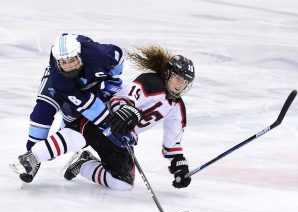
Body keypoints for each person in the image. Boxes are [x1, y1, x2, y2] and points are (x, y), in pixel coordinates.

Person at [12, 45, 195, 190]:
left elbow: (173, 142)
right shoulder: (151, 82)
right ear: (168, 74)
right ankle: (33, 156)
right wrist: (125, 110)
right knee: (79, 137)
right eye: (178, 78)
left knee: (123, 183)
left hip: (119, 138)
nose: (180, 85)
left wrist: (179, 165)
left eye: (185, 81)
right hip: (102, 118)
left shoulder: (177, 108)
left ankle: (84, 164)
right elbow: (124, 96)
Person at [24, 33, 126, 178]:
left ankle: (49, 152)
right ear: (57, 62)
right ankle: (32, 157)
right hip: (64, 85)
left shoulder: (99, 55)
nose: (69, 66)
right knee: (41, 113)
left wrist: (113, 79)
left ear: (79, 55)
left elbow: (118, 56)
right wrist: (109, 123)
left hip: (88, 84)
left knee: (78, 128)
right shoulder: (59, 78)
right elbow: (87, 105)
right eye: (63, 63)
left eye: (72, 60)